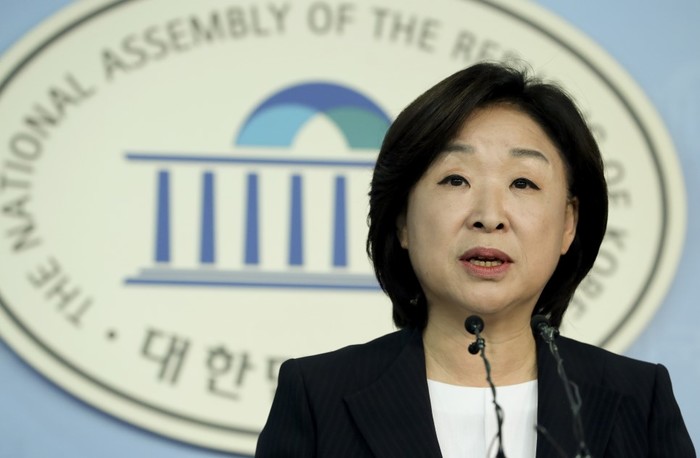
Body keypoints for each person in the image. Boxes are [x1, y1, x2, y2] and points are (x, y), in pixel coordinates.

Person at [255, 62, 695, 457]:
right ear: (403, 219)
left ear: (568, 223)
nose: (489, 216)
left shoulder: (639, 400)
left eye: (522, 183)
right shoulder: (317, 396)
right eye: (456, 179)